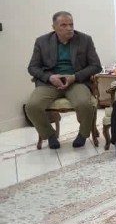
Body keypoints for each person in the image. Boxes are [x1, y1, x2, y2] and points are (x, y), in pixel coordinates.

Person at [25, 11, 102, 149]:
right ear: (54, 27)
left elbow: (96, 66)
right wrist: (49, 77)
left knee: (85, 104)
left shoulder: (85, 39)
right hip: (50, 83)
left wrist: (75, 77)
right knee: (32, 106)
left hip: (76, 81)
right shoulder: (42, 41)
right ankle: (50, 135)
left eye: (71, 24)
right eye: (64, 25)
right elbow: (32, 67)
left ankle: (83, 134)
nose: (69, 28)